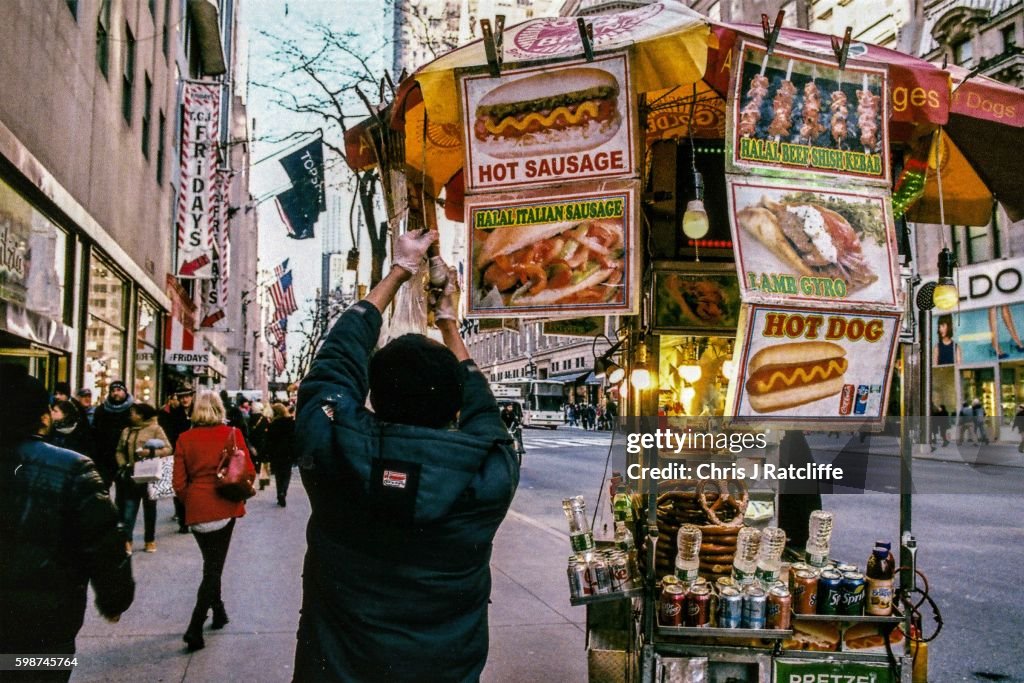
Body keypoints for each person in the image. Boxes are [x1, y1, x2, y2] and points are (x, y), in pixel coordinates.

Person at [293, 230, 518, 681]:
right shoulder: (489, 475)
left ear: (373, 396)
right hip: (444, 671)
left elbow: (334, 363)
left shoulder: (332, 449)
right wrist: (447, 320)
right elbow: (483, 405)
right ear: (454, 407)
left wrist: (400, 270)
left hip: (336, 669)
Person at [0, 364, 134, 675]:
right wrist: (114, 599)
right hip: (46, 627)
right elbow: (104, 544)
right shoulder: (72, 468)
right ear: (43, 417)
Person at [173, 391, 254, 652]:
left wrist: (192, 499)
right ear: (220, 409)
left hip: (196, 507)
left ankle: (219, 612)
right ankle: (195, 626)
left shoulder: (184, 439)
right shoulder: (232, 435)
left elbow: (178, 483)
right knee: (213, 568)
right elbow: (247, 469)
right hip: (224, 505)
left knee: (212, 562)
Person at [116, 402, 172, 554]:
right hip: (131, 474)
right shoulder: (127, 431)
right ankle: (127, 540)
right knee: (129, 509)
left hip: (149, 474)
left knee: (150, 509)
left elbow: (168, 448)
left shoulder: (155, 429)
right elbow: (119, 450)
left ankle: (150, 540)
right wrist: (123, 465)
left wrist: (151, 453)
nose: (131, 415)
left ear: (141, 415)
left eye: (134, 412)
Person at [160, 388, 194, 533]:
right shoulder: (174, 413)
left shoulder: (197, 412)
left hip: (194, 454)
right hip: (178, 452)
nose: (185, 400)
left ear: (192, 397)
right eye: (182, 397)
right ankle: (183, 520)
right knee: (180, 485)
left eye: (187, 397)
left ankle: (191, 516)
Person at [92, 380, 135, 489]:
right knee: (102, 489)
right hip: (105, 457)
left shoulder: (133, 410)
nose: (116, 393)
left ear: (125, 391)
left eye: (119, 390)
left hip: (124, 458)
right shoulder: (101, 410)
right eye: (113, 391)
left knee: (123, 492)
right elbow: (95, 433)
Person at [265, 403, 296, 507]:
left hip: (276, 453)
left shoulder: (273, 424)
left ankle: (279, 493)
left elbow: (269, 440)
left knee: (279, 474)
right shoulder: (291, 422)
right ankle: (283, 492)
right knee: (287, 473)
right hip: (288, 452)